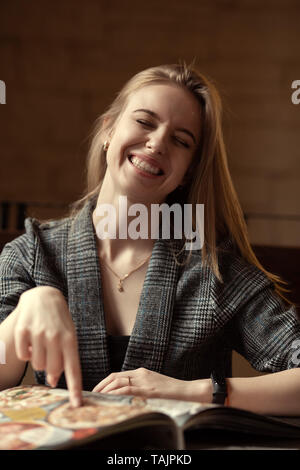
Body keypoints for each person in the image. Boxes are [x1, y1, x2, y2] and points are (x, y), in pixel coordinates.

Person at [0, 64, 300, 414]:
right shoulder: (32, 254)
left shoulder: (215, 270)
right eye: (144, 122)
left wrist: (196, 392)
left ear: (188, 172)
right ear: (108, 130)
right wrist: (26, 312)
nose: (157, 143)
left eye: (180, 140)